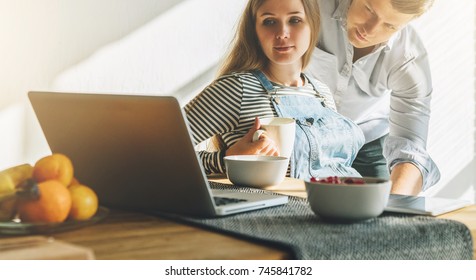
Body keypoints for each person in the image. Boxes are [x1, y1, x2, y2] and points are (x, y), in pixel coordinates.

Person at [185, 0, 364, 181]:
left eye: (294, 20)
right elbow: (160, 152)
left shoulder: (322, 93)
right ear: (254, 31)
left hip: (346, 201)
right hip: (289, 208)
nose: (282, 33)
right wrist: (227, 159)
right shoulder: (237, 89)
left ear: (312, 26)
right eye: (269, 22)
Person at [306, 0, 440, 195]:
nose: (369, 29)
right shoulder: (312, 6)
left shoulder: (409, 61)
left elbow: (411, 149)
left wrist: (392, 205)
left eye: (390, 25)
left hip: (367, 143)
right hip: (304, 133)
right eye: (369, 9)